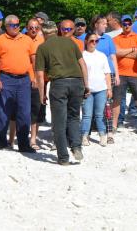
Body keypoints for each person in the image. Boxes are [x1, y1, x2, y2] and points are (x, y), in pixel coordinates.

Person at [36, 21, 89, 165]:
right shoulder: (70, 42)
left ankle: (63, 157)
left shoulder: (42, 47)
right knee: (74, 116)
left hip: (59, 84)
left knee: (59, 121)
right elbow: (83, 64)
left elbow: (40, 75)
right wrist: (86, 85)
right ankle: (76, 146)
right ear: (56, 30)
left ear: (44, 33)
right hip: (77, 81)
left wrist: (41, 93)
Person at [0, 15, 35, 153]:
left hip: (24, 80)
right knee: (3, 112)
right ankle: (0, 142)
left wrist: (33, 78)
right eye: (13, 25)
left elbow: (33, 60)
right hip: (6, 79)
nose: (16, 27)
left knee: (24, 113)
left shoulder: (27, 40)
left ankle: (23, 144)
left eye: (18, 25)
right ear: (6, 26)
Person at [112, 16, 137, 137]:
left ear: (132, 24)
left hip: (136, 73)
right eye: (124, 23)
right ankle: (113, 126)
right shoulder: (116, 38)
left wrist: (123, 52)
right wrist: (132, 50)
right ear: (122, 24)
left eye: (128, 23)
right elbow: (116, 53)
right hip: (120, 73)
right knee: (117, 100)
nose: (127, 25)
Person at [80, 33, 112, 146]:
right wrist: (84, 87)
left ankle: (102, 135)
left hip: (101, 89)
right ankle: (84, 136)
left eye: (96, 41)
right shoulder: (81, 55)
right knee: (87, 115)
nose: (94, 43)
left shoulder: (102, 55)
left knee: (100, 114)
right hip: (87, 89)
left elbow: (107, 73)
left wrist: (109, 89)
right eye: (91, 41)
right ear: (86, 41)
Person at [25, 18, 45, 150]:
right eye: (31, 27)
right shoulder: (22, 39)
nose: (33, 30)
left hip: (39, 79)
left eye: (36, 28)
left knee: (36, 109)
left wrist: (37, 80)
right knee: (22, 109)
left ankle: (33, 138)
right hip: (23, 78)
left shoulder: (42, 41)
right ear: (26, 28)